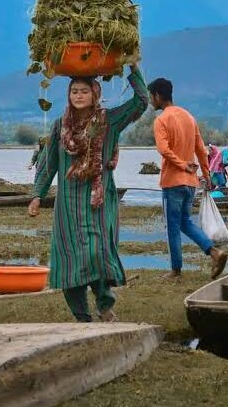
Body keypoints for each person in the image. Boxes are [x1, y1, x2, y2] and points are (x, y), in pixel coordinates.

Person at [27, 64, 148, 323]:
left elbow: (141, 102)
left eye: (84, 91)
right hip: (68, 204)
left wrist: (132, 66)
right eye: (74, 91)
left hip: (98, 200)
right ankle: (82, 317)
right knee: (69, 259)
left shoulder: (109, 121)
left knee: (98, 253)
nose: (78, 95)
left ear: (95, 93)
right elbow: (48, 164)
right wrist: (37, 195)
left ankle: (105, 306)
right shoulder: (60, 125)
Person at [149, 77, 228, 280]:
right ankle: (214, 252)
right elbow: (201, 150)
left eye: (151, 97)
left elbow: (163, 150)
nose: (151, 101)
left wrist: (181, 164)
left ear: (158, 96)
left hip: (172, 182)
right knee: (185, 222)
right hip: (191, 183)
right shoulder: (189, 117)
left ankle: (176, 269)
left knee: (173, 227)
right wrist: (207, 175)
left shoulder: (161, 120)